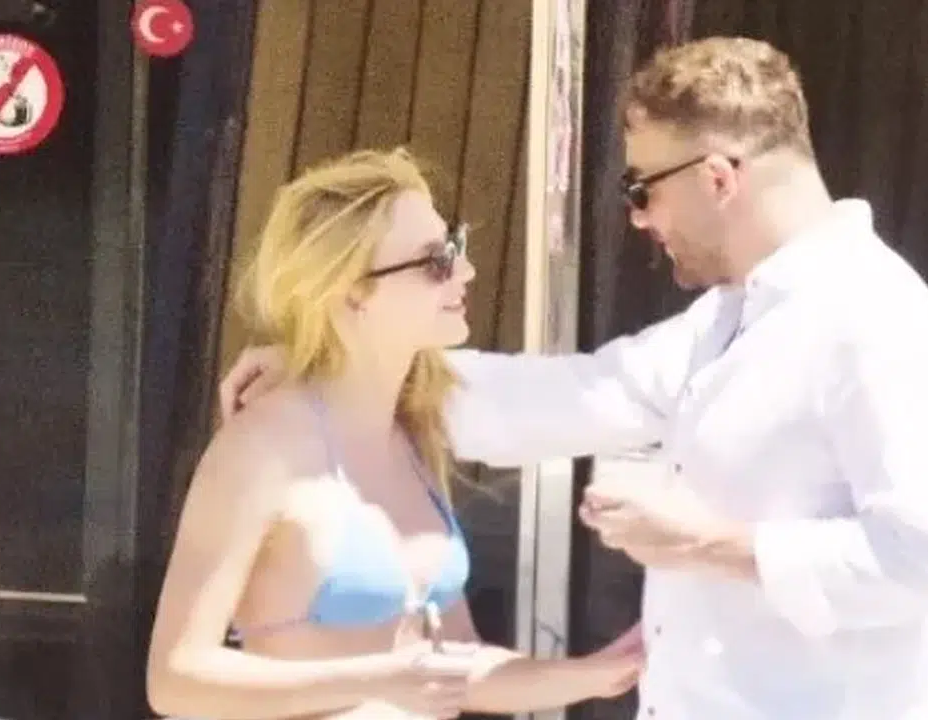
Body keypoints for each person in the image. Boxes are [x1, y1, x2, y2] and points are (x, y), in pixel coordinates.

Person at [218, 37, 928, 720]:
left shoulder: (882, 324)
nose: (639, 219)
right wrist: (339, 359)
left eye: (641, 189)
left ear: (719, 177)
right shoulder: (728, 319)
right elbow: (566, 397)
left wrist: (705, 543)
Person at [146, 148, 643, 720]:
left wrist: (599, 674)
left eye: (455, 245)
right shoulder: (262, 447)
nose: (465, 271)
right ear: (351, 290)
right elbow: (175, 679)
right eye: (436, 260)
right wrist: (381, 678)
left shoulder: (412, 432)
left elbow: (454, 666)